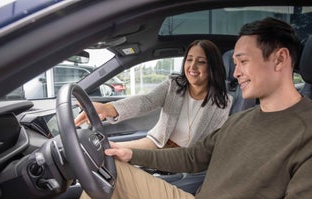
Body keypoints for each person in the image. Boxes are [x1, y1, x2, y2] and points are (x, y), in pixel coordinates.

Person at [68, 17, 312, 199]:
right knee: (109, 170)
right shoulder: (241, 119)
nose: (235, 73)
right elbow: (193, 157)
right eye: (234, 63)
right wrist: (131, 154)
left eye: (243, 62)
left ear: (280, 59)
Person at [75, 39, 232, 150]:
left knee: (117, 156)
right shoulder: (174, 85)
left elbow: (209, 148)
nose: (192, 66)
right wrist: (107, 108)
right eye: (189, 60)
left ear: (213, 66)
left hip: (186, 159)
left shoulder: (223, 103)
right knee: (108, 151)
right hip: (156, 144)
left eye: (201, 61)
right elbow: (146, 101)